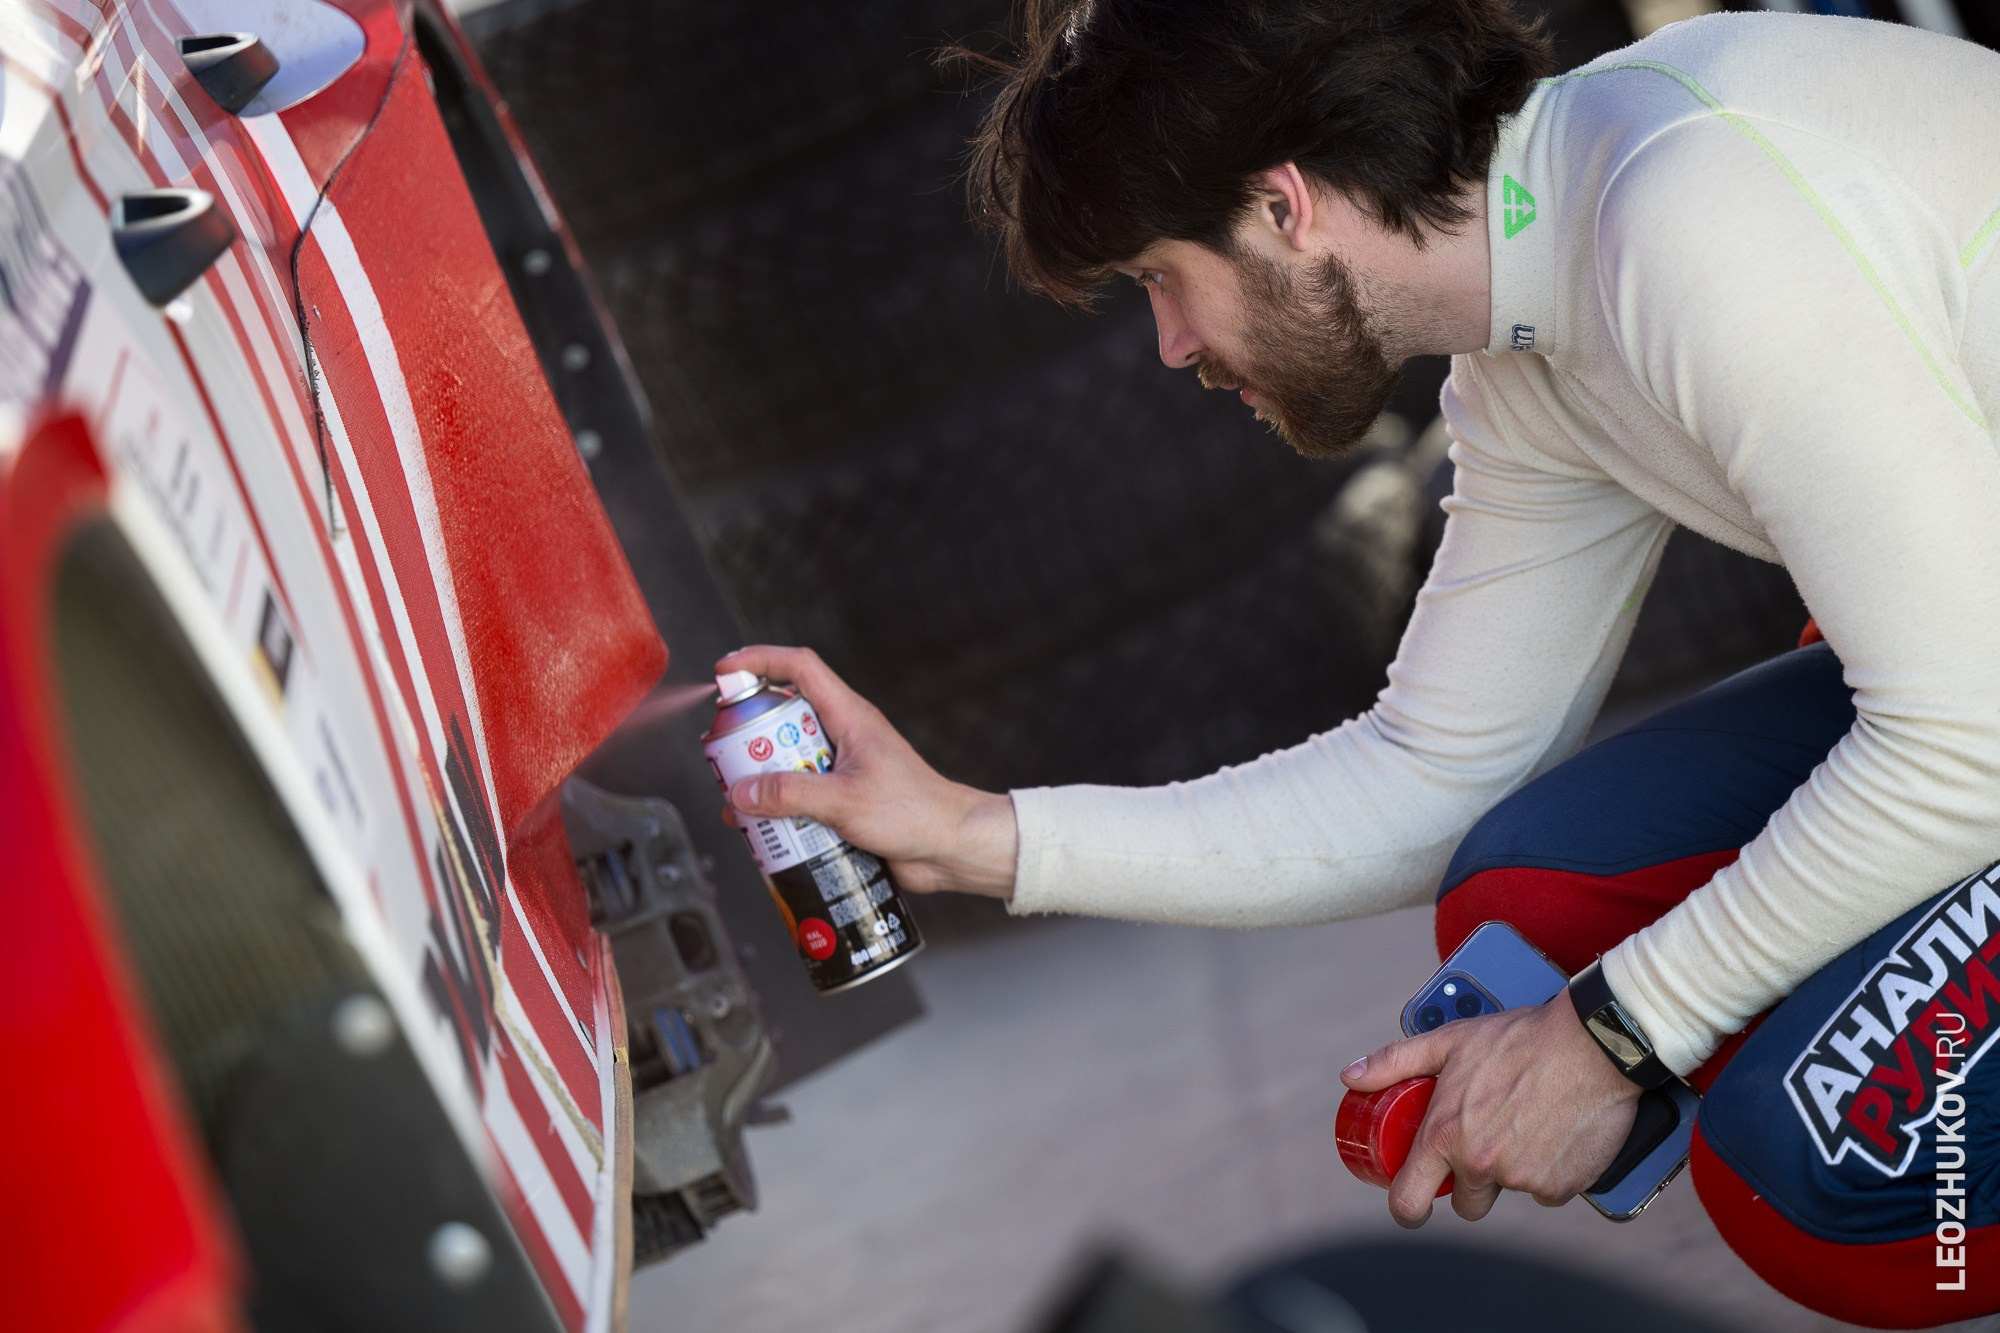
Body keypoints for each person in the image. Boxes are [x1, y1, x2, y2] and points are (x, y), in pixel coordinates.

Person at [716, 3, 2000, 1324]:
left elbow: (1965, 742)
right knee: (1526, 891)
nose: (1168, 345)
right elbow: (1434, 772)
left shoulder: (1694, 225)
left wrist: (1610, 1034)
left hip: (1982, 716)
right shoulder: (1539, 304)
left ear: (1284, 207)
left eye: (1164, 274)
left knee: (1819, 1169)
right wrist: (979, 836)